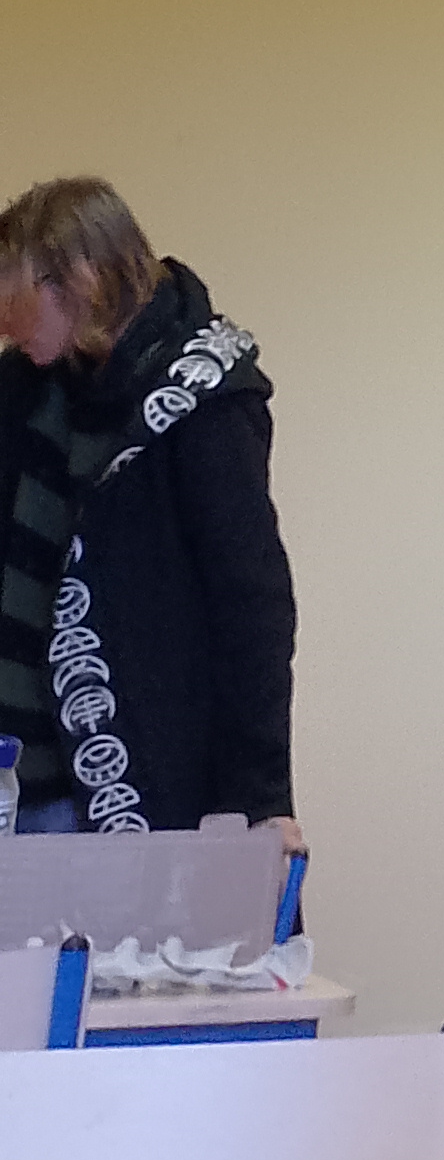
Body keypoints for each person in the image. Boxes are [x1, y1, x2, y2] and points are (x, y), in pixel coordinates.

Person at [0, 176, 298, 839]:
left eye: (14, 296)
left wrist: (261, 800)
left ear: (78, 280)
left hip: (130, 796)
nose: (4, 320)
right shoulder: (26, 387)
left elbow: (251, 607)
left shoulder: (206, 400)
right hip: (14, 788)